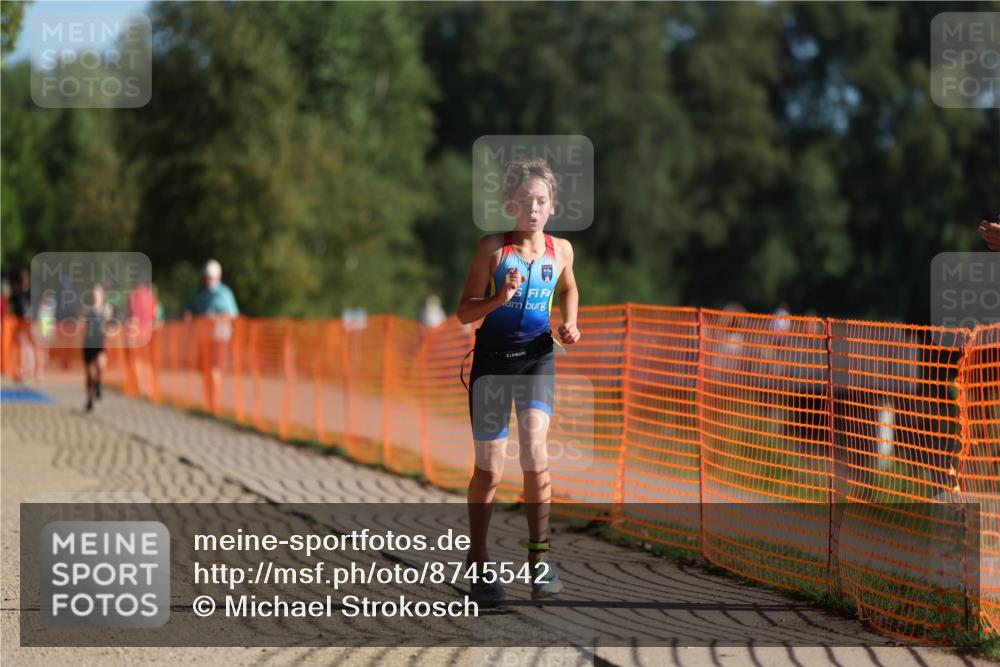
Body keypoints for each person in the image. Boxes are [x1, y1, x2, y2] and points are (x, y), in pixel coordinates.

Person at [456, 157, 581, 605]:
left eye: (541, 201)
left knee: (535, 453)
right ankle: (479, 559)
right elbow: (464, 311)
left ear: (553, 206)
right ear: (510, 203)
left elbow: (568, 287)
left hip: (536, 360)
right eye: (525, 201)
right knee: (490, 470)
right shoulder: (493, 249)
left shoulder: (561, 250)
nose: (533, 209)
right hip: (492, 363)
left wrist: (570, 322)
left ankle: (540, 559)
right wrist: (499, 298)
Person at [185, 260, 239, 414]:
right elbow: (191, 309)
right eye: (207, 278)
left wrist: (217, 319)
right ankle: (209, 402)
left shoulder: (224, 294)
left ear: (218, 277)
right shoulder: (200, 293)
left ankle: (215, 404)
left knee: (215, 370)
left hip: (219, 338)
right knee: (205, 370)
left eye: (211, 278)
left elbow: (233, 315)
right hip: (203, 339)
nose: (208, 281)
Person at [81, 282, 111, 412]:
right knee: (89, 374)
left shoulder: (106, 309)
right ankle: (89, 400)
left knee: (100, 364)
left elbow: (110, 326)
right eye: (93, 292)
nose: (95, 295)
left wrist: (108, 330)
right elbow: (81, 324)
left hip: (100, 344)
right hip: (88, 344)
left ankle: (98, 384)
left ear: (102, 294)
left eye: (98, 292)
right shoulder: (87, 310)